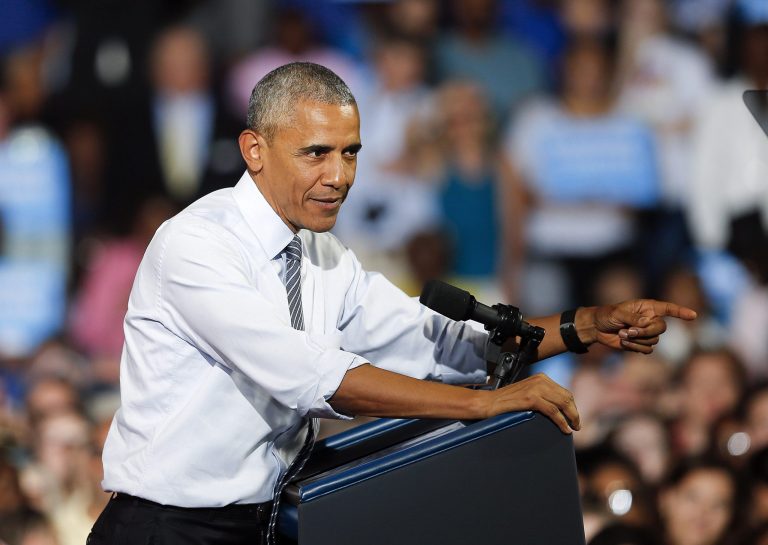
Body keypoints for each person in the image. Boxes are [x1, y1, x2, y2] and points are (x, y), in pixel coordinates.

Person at [87, 62, 696, 545]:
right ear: (254, 150)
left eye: (350, 152)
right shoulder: (198, 243)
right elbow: (309, 378)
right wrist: (484, 410)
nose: (340, 175)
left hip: (265, 524)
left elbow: (443, 344)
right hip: (163, 530)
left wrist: (584, 325)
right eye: (316, 153)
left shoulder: (324, 257)